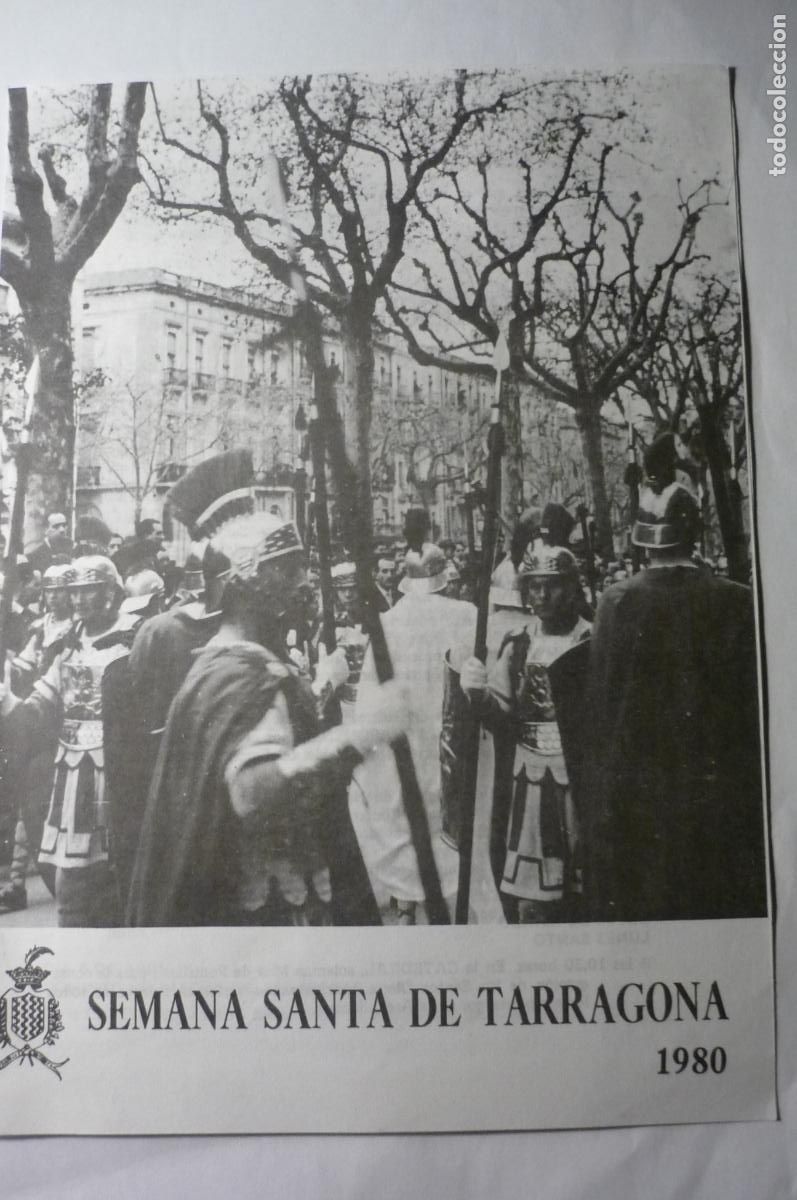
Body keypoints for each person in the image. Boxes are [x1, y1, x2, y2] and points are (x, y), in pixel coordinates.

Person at [126, 506, 409, 927]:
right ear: (247, 582)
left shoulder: (225, 665)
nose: (305, 583)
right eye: (288, 570)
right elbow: (252, 793)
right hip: (272, 911)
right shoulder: (245, 676)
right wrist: (359, 736)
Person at [579, 434, 767, 921]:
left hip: (639, 798)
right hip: (719, 793)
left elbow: (601, 711)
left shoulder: (616, 602)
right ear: (694, 532)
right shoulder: (737, 600)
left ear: (643, 538)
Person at [1, 556, 139, 926]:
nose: (78, 599)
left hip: (122, 772)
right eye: (74, 591)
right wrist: (6, 701)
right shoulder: (67, 644)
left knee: (122, 875)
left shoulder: (136, 636)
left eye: (87, 590)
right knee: (72, 881)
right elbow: (39, 708)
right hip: (74, 774)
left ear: (110, 591)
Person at [460, 545, 591, 922]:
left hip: (580, 777)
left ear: (572, 587)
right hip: (528, 779)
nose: (542, 595)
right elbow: (500, 714)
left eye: (553, 585)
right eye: (534, 586)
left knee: (585, 887)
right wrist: (476, 694)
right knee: (532, 898)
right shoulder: (518, 644)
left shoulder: (593, 640)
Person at [349, 543, 476, 924]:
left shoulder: (388, 623)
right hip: (450, 739)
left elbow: (369, 700)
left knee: (409, 815)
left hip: (407, 738)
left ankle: (409, 903)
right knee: (448, 819)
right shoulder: (467, 615)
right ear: (445, 579)